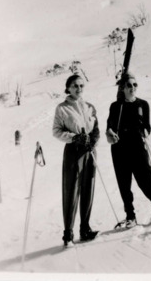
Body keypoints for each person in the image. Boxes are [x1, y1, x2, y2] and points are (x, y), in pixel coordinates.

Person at [106, 72, 151, 228]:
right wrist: (110, 134)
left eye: (135, 85)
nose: (132, 88)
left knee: (146, 181)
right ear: (122, 88)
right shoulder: (116, 106)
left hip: (137, 147)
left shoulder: (143, 104)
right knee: (124, 183)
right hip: (120, 148)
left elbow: (147, 126)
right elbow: (109, 127)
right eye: (129, 85)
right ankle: (130, 216)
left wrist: (146, 132)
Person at [53, 74, 100, 246]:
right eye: (75, 86)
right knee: (71, 189)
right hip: (73, 151)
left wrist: (93, 140)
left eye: (81, 86)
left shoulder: (89, 107)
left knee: (88, 187)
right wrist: (75, 138)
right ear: (68, 88)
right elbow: (56, 131)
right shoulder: (62, 108)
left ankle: (85, 228)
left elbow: (96, 128)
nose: (78, 89)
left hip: (89, 151)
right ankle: (68, 233)